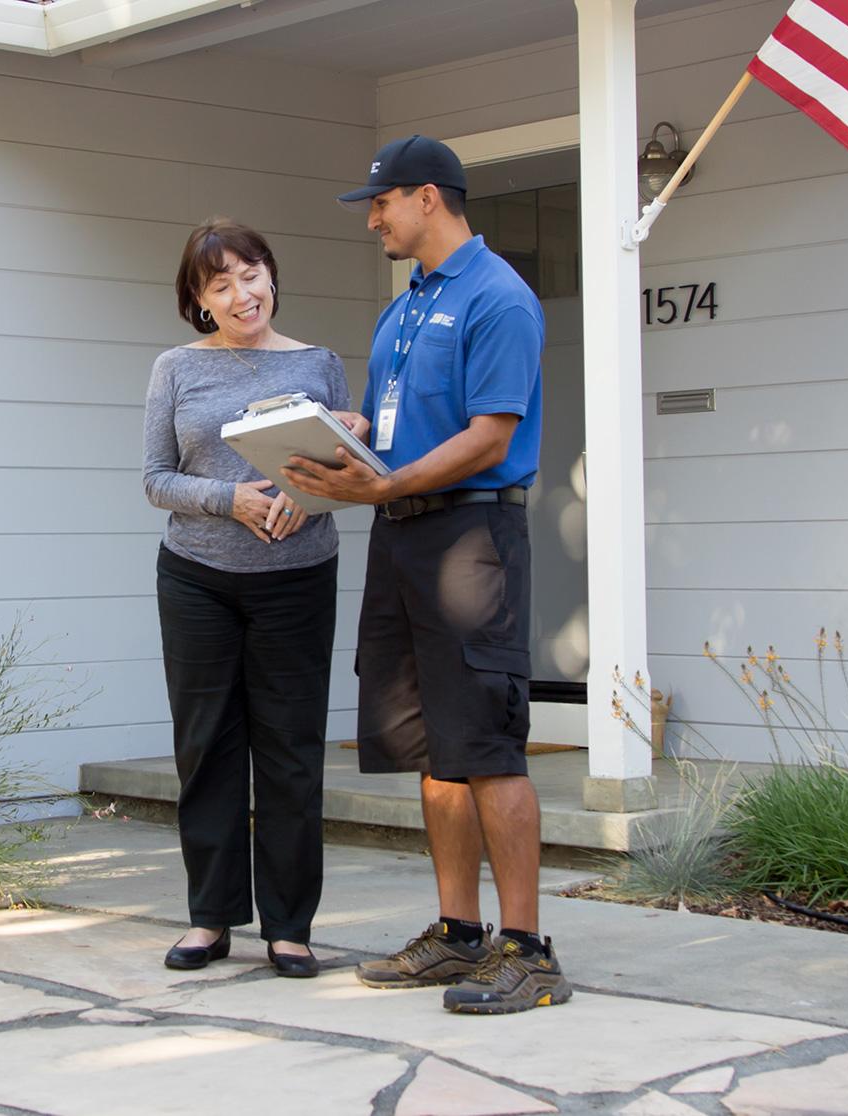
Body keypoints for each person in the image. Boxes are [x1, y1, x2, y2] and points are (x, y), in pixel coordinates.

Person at [285, 136, 572, 1014]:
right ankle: (459, 935)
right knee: (432, 749)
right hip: (401, 534)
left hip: (471, 538)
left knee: (486, 745)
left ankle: (528, 952)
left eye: (381, 203)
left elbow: (489, 436)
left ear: (428, 199)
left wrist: (386, 480)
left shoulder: (500, 299)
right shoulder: (405, 305)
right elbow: (406, 423)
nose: (372, 218)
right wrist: (344, 431)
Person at [141, 218, 361, 979]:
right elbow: (155, 479)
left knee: (292, 754)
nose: (242, 293)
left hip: (299, 579)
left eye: (251, 273)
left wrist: (310, 489)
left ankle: (291, 927)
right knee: (207, 748)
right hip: (197, 578)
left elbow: (350, 464)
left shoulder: (320, 363)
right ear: (200, 299)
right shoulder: (175, 369)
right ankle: (210, 918)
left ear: (272, 274)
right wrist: (229, 500)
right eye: (220, 282)